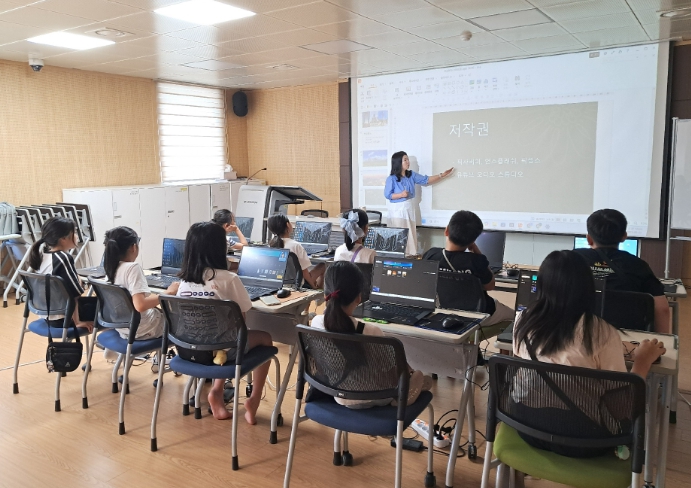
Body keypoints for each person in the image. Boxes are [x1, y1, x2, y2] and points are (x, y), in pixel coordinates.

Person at [513, 250, 665, 458]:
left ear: (540, 285)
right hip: (585, 441)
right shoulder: (602, 333)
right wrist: (642, 361)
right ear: (588, 288)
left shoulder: (523, 320)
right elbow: (621, 407)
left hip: (527, 427)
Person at [176, 221, 272, 424]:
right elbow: (242, 321)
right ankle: (254, 399)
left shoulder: (184, 282)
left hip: (192, 349)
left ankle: (217, 391)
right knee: (265, 338)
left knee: (221, 338)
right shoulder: (229, 279)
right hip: (224, 350)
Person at [311, 261, 431, 408]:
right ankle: (409, 388)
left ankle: (413, 382)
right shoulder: (371, 331)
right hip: (375, 396)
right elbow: (389, 371)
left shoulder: (316, 323)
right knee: (415, 373)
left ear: (325, 295)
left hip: (336, 392)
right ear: (359, 298)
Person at [573, 209, 670, 333]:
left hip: (575, 333)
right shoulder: (638, 265)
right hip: (626, 337)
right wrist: (662, 341)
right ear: (624, 236)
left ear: (589, 239)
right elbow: (662, 309)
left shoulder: (569, 259)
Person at [423, 210, 514, 326]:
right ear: (473, 240)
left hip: (443, 312)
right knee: (516, 316)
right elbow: (490, 286)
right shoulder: (476, 260)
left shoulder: (431, 255)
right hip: (479, 314)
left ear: (446, 231)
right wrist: (476, 251)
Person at [102, 226, 178, 342]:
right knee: (181, 322)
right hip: (143, 328)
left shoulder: (110, 268)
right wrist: (169, 292)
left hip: (123, 327)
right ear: (134, 247)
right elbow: (140, 305)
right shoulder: (133, 267)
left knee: (162, 312)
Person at [28, 217, 93, 332]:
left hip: (48, 314)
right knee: (109, 308)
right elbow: (75, 293)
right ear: (63, 239)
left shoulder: (42, 255)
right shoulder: (63, 258)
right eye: (74, 233)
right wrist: (77, 322)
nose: (77, 236)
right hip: (64, 318)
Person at [384, 151, 453, 255]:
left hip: (409, 207)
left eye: (408, 159)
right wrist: (401, 195)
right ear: (398, 162)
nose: (408, 162)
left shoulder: (411, 175)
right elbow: (388, 195)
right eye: (405, 160)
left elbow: (426, 180)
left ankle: (410, 256)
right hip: (397, 211)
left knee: (410, 234)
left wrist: (441, 175)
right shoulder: (391, 178)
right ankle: (398, 258)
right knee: (398, 236)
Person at [267, 214, 325, 289]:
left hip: (278, 283)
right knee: (322, 266)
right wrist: (313, 286)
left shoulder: (270, 245)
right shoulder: (296, 245)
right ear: (288, 225)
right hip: (297, 284)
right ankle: (319, 293)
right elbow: (304, 272)